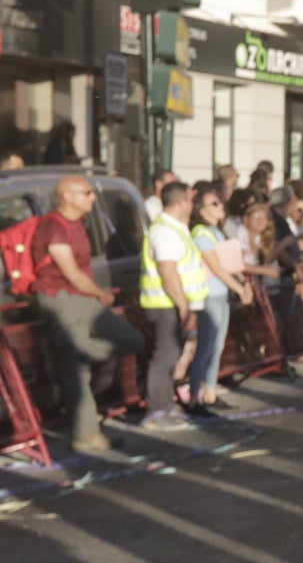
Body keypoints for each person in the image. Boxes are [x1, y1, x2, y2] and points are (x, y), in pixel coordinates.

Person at [30, 176, 148, 452]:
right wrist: (100, 293)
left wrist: (95, 295)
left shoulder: (76, 223)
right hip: (64, 300)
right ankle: (85, 434)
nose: (93, 197)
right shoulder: (54, 226)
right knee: (76, 372)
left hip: (83, 299)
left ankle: (79, 354)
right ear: (67, 196)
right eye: (87, 193)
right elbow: (70, 272)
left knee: (133, 340)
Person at [139, 181, 211, 431]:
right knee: (166, 355)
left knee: (172, 355)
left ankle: (165, 405)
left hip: (174, 303)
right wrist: (184, 308)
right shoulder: (166, 231)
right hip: (165, 304)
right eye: (191, 200)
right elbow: (168, 272)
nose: (193, 205)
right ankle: (156, 411)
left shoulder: (176, 228)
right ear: (181, 202)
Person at [188, 185, 253, 415]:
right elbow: (216, 267)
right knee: (206, 346)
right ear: (201, 209)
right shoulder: (200, 233)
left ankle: (210, 392)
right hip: (209, 295)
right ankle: (195, 397)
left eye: (220, 202)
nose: (220, 207)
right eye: (213, 204)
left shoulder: (217, 232)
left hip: (220, 295)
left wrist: (242, 284)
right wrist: (240, 288)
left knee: (217, 346)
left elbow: (230, 263)